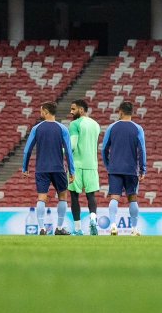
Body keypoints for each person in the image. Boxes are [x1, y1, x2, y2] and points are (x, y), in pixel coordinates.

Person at [22, 102, 76, 236]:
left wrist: (25, 167)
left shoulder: (37, 128)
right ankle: (58, 228)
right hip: (58, 168)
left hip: (42, 168)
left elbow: (27, 150)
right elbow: (68, 152)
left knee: (41, 197)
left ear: (46, 112)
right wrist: (72, 171)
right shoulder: (62, 128)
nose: (40, 113)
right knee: (63, 196)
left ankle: (41, 229)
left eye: (41, 111)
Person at [101, 101, 147, 236]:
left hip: (115, 168)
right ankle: (134, 229)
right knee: (132, 198)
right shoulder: (138, 128)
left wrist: (108, 165)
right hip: (131, 169)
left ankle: (113, 226)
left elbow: (104, 148)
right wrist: (142, 169)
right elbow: (142, 150)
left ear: (120, 111)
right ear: (131, 112)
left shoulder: (112, 127)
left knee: (114, 197)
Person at [68, 99, 101, 236]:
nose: (71, 112)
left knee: (74, 196)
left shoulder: (74, 124)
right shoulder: (96, 125)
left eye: (73, 109)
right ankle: (93, 218)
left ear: (81, 110)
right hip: (92, 164)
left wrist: (62, 152)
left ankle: (77, 228)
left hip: (77, 164)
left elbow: (73, 145)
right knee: (91, 195)